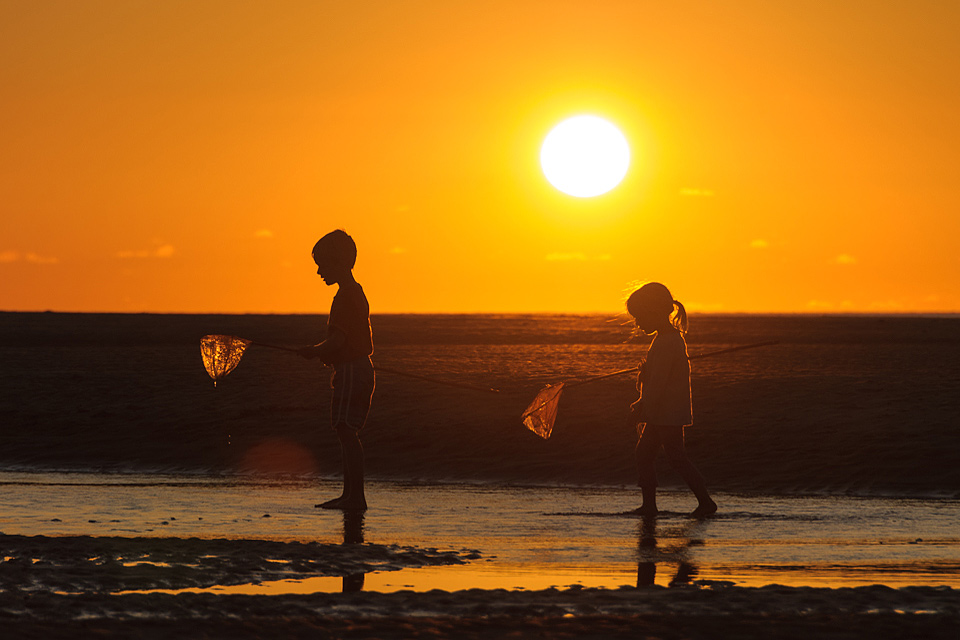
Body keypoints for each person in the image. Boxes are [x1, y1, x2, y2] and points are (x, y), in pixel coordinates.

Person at [298, 230, 375, 511]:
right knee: (346, 431)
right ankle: (350, 495)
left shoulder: (345, 297)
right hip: (354, 369)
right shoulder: (355, 292)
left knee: (346, 431)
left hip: (353, 371)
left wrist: (314, 350)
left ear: (338, 263)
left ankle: (356, 497)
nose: (318, 271)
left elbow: (339, 341)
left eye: (322, 264)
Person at [627, 282, 717, 518]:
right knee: (644, 453)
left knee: (675, 457)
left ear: (655, 312)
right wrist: (644, 384)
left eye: (640, 317)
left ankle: (705, 502)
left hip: (667, 413)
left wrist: (642, 406)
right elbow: (655, 379)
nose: (637, 323)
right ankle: (650, 506)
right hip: (661, 412)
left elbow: (658, 385)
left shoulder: (668, 342)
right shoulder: (664, 339)